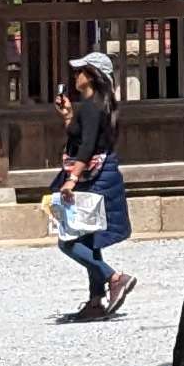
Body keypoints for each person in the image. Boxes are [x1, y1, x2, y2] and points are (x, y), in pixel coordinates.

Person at [50, 50, 137, 319]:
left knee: (68, 241)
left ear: (93, 76)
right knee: (90, 239)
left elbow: (86, 147)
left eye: (81, 71)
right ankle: (95, 300)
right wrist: (67, 116)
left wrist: (72, 179)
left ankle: (114, 277)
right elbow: (86, 138)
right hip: (104, 172)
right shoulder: (102, 104)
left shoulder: (91, 107)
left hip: (91, 177)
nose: (76, 76)